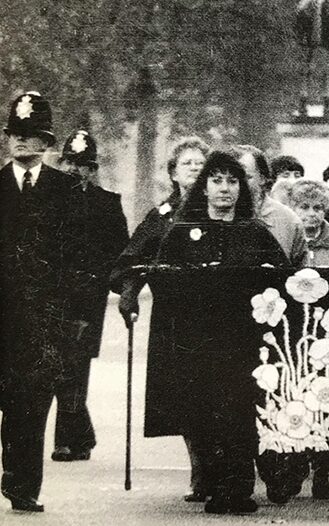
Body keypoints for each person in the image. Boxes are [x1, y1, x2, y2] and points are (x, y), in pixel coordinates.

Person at [151, 151, 288, 515]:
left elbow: (281, 279)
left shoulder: (255, 232)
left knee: (240, 413)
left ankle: (238, 489)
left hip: (243, 342)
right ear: (205, 187)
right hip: (196, 342)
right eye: (217, 181)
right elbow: (162, 279)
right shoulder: (181, 233)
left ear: (241, 188)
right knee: (203, 413)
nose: (224, 189)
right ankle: (213, 483)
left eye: (232, 181)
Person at [112, 135, 210, 502]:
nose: (195, 170)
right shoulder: (162, 216)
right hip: (175, 319)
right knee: (186, 396)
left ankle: (219, 468)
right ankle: (199, 470)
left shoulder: (221, 211)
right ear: (173, 172)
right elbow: (132, 260)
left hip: (215, 317)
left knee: (216, 393)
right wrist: (129, 292)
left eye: (201, 164)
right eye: (188, 164)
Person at [0, 92, 85, 513]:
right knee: (8, 402)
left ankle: (22, 484)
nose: (19, 141)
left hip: (45, 322)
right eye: (14, 133)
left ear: (46, 141)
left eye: (29, 134)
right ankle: (13, 470)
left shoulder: (67, 189)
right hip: (1, 318)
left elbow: (80, 255)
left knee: (31, 405)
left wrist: (73, 314)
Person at [52, 130, 129, 463]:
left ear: (93, 168)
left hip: (87, 299)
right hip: (52, 296)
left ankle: (66, 441)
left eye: (82, 164)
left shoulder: (108, 204)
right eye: (70, 161)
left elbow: (121, 253)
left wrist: (112, 283)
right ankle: (80, 436)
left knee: (74, 367)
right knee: (56, 366)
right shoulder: (46, 198)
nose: (74, 169)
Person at [232, 145, 307, 266]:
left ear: (262, 179)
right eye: (232, 178)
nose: (238, 184)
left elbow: (302, 273)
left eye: (246, 177)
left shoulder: (288, 221)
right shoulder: (214, 215)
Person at [289, 179, 329, 267]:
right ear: (292, 208)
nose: (312, 214)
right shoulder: (284, 239)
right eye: (304, 207)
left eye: (317, 208)